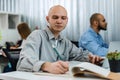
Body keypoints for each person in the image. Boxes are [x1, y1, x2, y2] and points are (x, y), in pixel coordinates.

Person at [17, 5, 103, 74]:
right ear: (48, 19)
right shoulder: (37, 35)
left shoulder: (65, 41)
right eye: (55, 17)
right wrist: (46, 66)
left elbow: (79, 54)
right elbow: (23, 62)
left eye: (63, 18)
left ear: (67, 20)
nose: (59, 21)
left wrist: (90, 58)